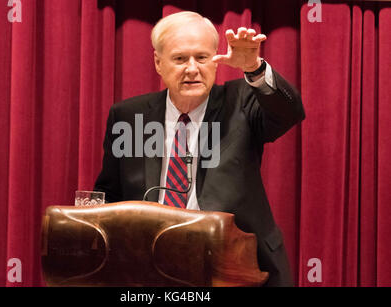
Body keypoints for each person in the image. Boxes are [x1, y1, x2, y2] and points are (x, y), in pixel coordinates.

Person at [94, 11, 305, 286]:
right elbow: (110, 195)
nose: (192, 69)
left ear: (215, 61)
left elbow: (290, 112)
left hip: (236, 266)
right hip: (150, 268)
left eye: (202, 58)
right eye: (180, 59)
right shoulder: (129, 117)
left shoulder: (241, 101)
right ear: (158, 63)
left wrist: (254, 67)